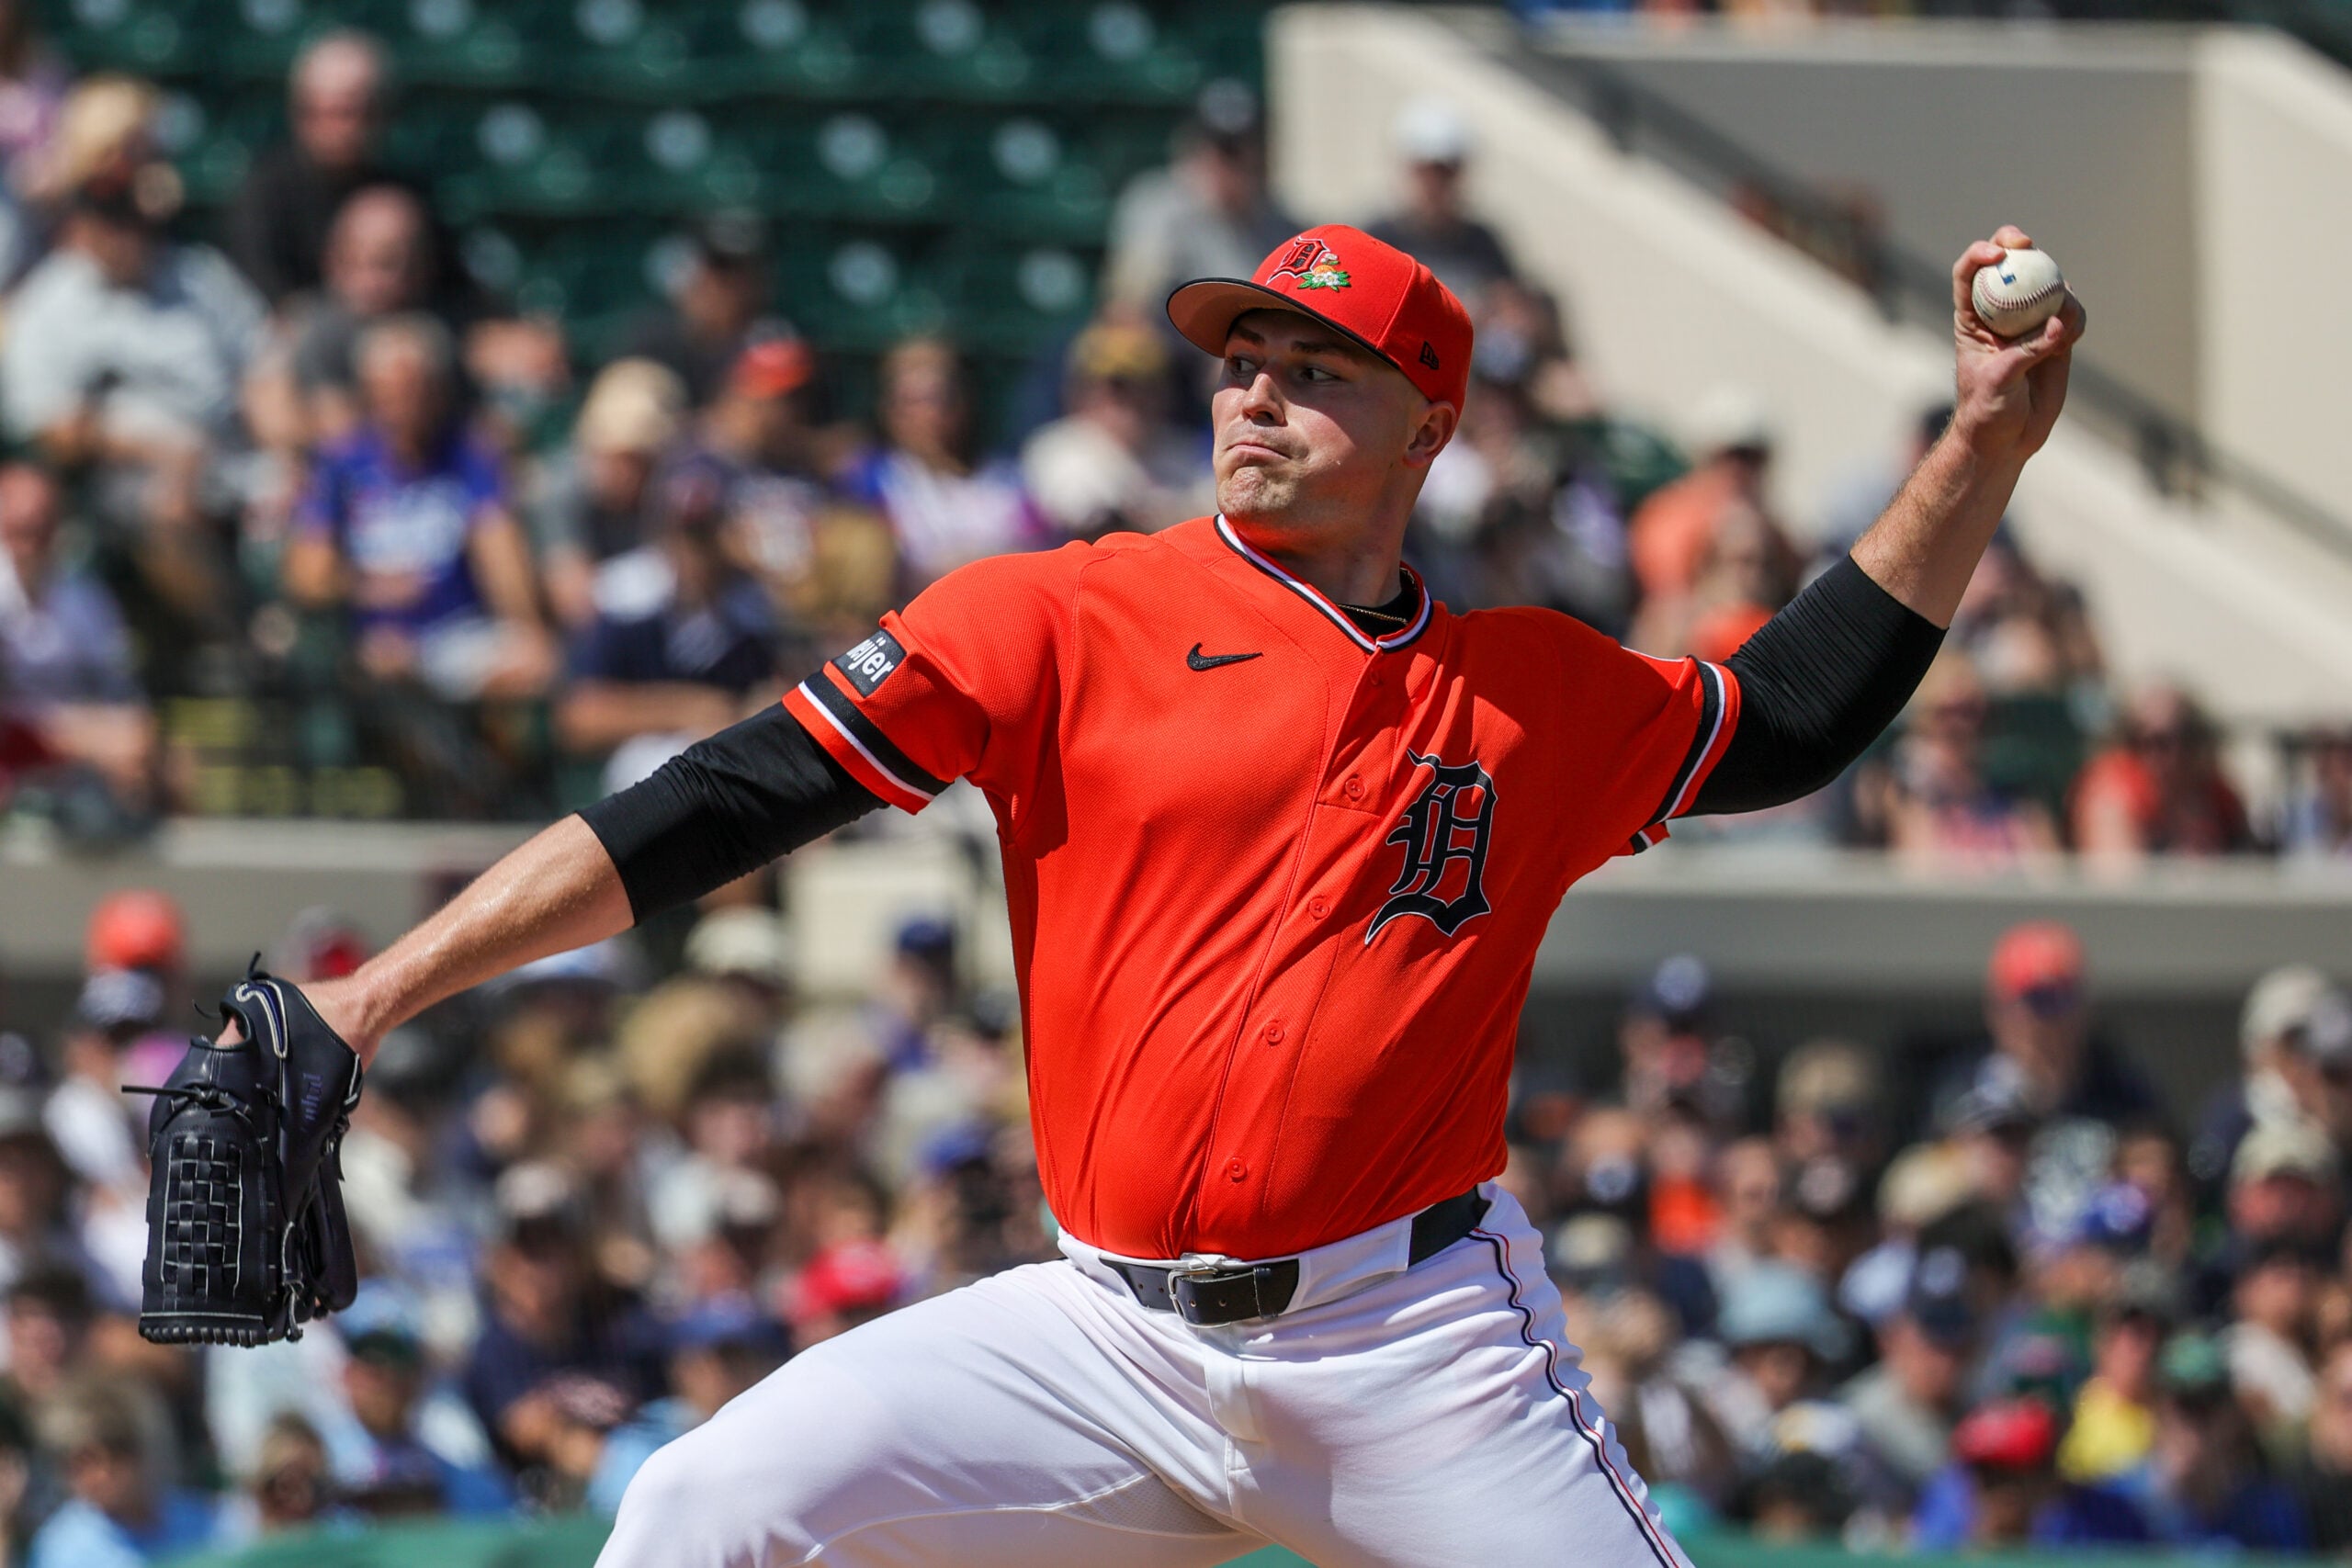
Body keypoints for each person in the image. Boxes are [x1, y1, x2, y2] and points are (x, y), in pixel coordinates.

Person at [209, 222, 2085, 1565]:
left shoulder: (1529, 687)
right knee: (702, 1504)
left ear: (1428, 422)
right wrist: (382, 991)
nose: (1252, 393)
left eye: (1311, 367)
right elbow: (723, 797)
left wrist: (1977, 444)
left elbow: (1788, 714)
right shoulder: (1058, 612)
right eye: (1238, 361)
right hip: (1100, 1336)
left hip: (1405, 1337)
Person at [283, 313, 552, 702]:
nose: (400, 409)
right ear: (368, 396)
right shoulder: (341, 463)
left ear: (438, 393)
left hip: (458, 635)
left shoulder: (469, 455)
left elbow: (500, 549)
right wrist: (367, 587)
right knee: (380, 663)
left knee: (534, 665)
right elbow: (305, 575)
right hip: (375, 642)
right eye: (387, 396)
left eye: (413, 394)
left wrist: (528, 629)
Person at [555, 477, 778, 793]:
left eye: (705, 536)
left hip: (728, 743)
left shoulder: (749, 606)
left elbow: (768, 690)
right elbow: (580, 718)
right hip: (645, 750)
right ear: (663, 539)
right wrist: (686, 709)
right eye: (684, 537)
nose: (695, 552)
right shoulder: (627, 599)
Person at [0, 462, 155, 812]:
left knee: (152, 753)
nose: (29, 541)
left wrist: (83, 731)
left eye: (40, 527)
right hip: (16, 732)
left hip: (75, 730)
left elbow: (121, 691)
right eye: (18, 528)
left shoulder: (86, 598)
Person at [226, 30, 415, 305]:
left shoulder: (399, 194)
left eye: (351, 112)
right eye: (324, 112)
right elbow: (262, 299)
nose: (338, 128)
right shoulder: (266, 192)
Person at [844, 336, 1046, 592]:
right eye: (912, 402)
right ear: (889, 411)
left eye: (940, 398)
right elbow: (873, 569)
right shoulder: (870, 482)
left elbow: (1040, 555)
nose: (930, 414)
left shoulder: (1006, 480)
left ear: (964, 402)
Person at [1101, 83, 1297, 317]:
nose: (1229, 163)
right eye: (1222, 150)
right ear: (1194, 146)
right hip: (1176, 345)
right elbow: (1128, 307)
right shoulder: (1157, 204)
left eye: (1240, 151)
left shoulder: (1280, 224)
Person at [1019, 315, 1211, 538]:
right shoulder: (1057, 449)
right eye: (1116, 387)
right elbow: (1101, 528)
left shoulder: (1185, 452)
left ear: (1164, 393)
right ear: (1080, 392)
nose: (1130, 401)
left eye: (1144, 386)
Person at [2188, 964, 2352, 1204]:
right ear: (2257, 1048)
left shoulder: (2338, 1103)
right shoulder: (2234, 1112)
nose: (2305, 1060)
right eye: (2293, 1042)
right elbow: (2207, 1176)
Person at [27, 1377, 219, 1566]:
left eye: (104, 1458)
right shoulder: (62, 1547)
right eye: (76, 1465)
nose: (94, 1477)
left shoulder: (210, 1522)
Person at [614, 211, 784, 406]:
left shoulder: (775, 339)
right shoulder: (650, 339)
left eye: (738, 271)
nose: (724, 285)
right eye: (717, 269)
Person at [2071, 681, 2252, 861]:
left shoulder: (2216, 796)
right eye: (2156, 742)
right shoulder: (2112, 795)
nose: (2173, 755)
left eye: (2187, 738)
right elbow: (2121, 882)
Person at [1366, 99, 1518, 304]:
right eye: (1425, 171)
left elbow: (1509, 306)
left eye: (1445, 172)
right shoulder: (1377, 240)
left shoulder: (1483, 243)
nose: (1434, 183)